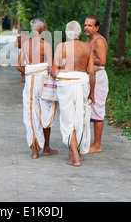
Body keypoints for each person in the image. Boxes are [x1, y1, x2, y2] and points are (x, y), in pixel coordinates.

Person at [51, 21, 95, 166]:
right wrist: (92, 93)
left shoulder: (61, 47)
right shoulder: (87, 47)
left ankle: (74, 155)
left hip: (65, 84)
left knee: (67, 119)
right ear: (80, 33)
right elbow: (92, 72)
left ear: (65, 34)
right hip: (82, 83)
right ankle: (75, 153)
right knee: (79, 117)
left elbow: (54, 71)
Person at [17, 18, 58, 159]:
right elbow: (51, 67)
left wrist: (28, 74)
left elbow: (19, 66)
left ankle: (34, 151)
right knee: (45, 111)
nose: (46, 29)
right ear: (41, 30)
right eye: (45, 27)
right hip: (43, 83)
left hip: (30, 84)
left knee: (32, 114)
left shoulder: (26, 44)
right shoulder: (45, 45)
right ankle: (46, 148)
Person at [84, 15, 109, 153]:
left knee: (98, 109)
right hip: (89, 77)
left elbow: (102, 61)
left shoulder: (98, 41)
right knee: (88, 109)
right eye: (85, 25)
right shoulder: (89, 40)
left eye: (90, 25)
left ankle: (97, 145)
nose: (87, 27)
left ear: (97, 27)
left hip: (98, 78)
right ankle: (87, 141)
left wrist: (87, 57)